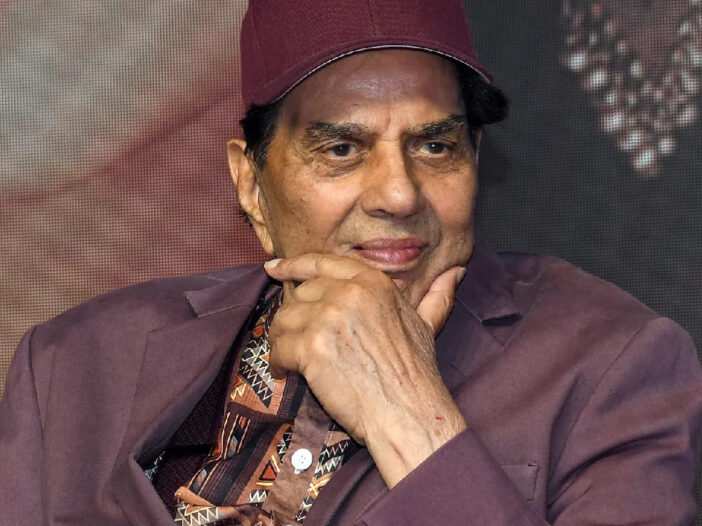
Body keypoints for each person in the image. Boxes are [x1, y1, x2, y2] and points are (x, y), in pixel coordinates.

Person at [2, 1, 701, 524]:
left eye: (435, 146)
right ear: (251, 183)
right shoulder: (73, 366)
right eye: (341, 149)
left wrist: (409, 417)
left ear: (475, 158)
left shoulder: (612, 369)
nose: (399, 193)